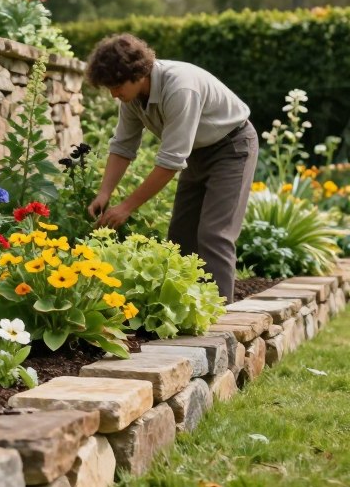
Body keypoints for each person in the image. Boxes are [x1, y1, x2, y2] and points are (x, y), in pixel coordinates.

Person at [84, 33, 257, 302]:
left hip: (232, 148)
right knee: (181, 236)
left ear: (137, 73)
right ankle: (187, 307)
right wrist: (105, 193)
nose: (113, 93)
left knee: (214, 234)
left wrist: (126, 207)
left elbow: (170, 161)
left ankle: (222, 315)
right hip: (198, 152)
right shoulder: (131, 99)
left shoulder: (180, 88)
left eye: (116, 85)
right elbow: (123, 146)